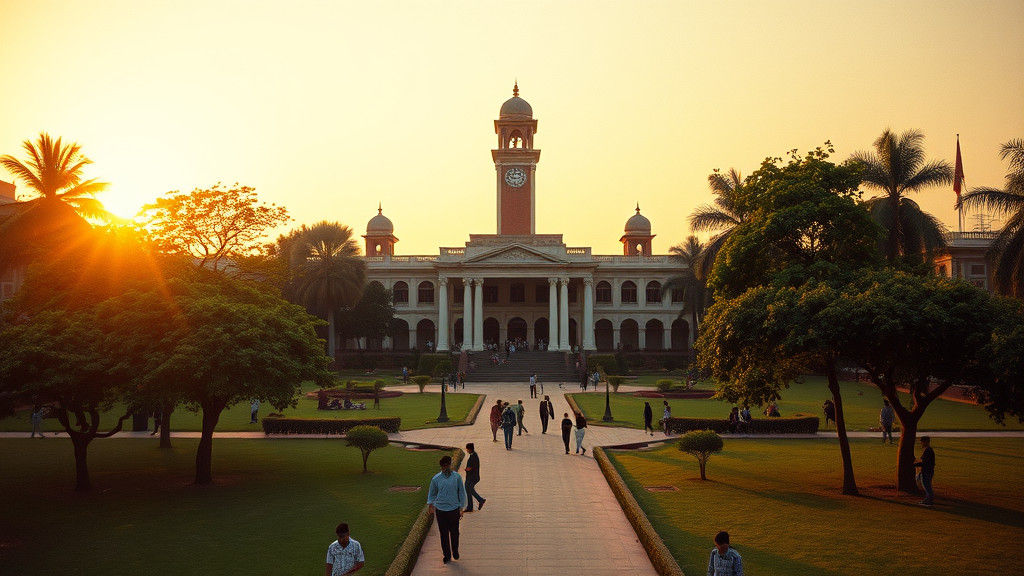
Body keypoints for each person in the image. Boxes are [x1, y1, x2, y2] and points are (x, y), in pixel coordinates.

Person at [426, 455, 466, 564]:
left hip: (453, 509)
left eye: (447, 465)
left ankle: (455, 551)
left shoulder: (456, 477)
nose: (446, 467)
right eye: (444, 466)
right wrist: (431, 506)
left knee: (455, 533)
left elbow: (461, 492)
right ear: (442, 466)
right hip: (441, 510)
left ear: (450, 465)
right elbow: (432, 493)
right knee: (443, 534)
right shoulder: (436, 478)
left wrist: (461, 508)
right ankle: (447, 555)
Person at [463, 443, 486, 512]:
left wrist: (467, 469)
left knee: (469, 489)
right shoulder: (473, 455)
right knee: (468, 489)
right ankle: (473, 504)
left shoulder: (474, 456)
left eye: (467, 449)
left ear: (470, 449)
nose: (466, 450)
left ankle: (479, 501)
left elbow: (472, 467)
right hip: (471, 477)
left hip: (473, 477)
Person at [914, 436, 936, 506]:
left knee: (927, 486)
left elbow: (925, 462)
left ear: (926, 442)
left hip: (927, 471)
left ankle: (929, 500)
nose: (921, 443)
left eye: (922, 441)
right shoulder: (928, 450)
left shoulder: (928, 450)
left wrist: (915, 465)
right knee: (925, 485)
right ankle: (928, 499)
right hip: (927, 471)